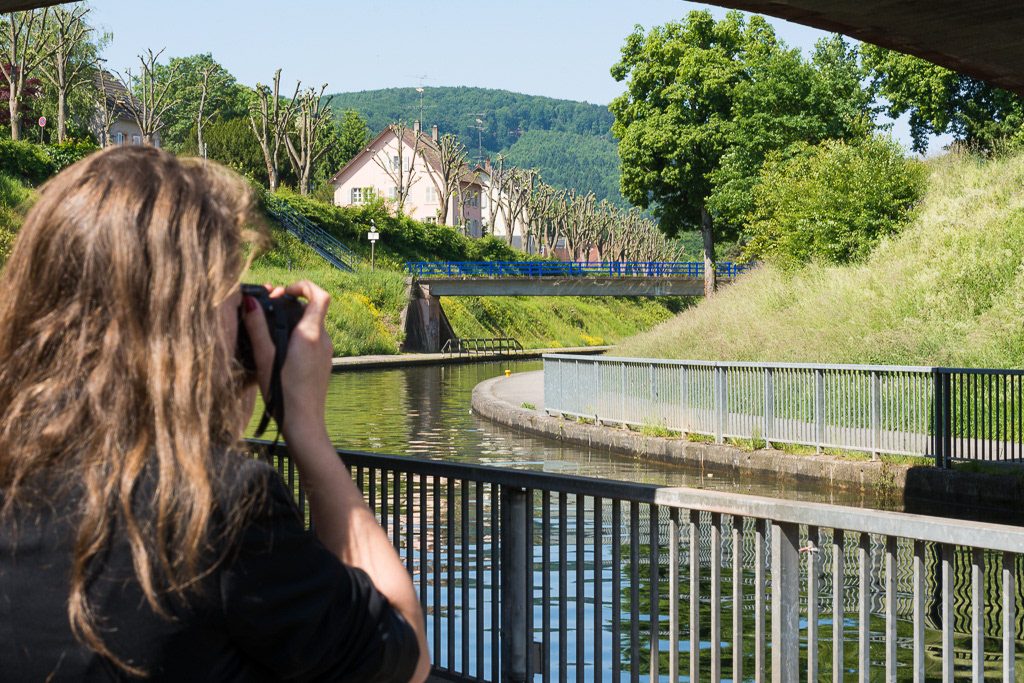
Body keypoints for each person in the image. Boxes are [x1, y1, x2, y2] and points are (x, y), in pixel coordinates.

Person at [0, 146, 430, 681]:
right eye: (234, 299)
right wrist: (306, 432)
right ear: (190, 325)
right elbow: (402, 652)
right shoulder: (218, 507)